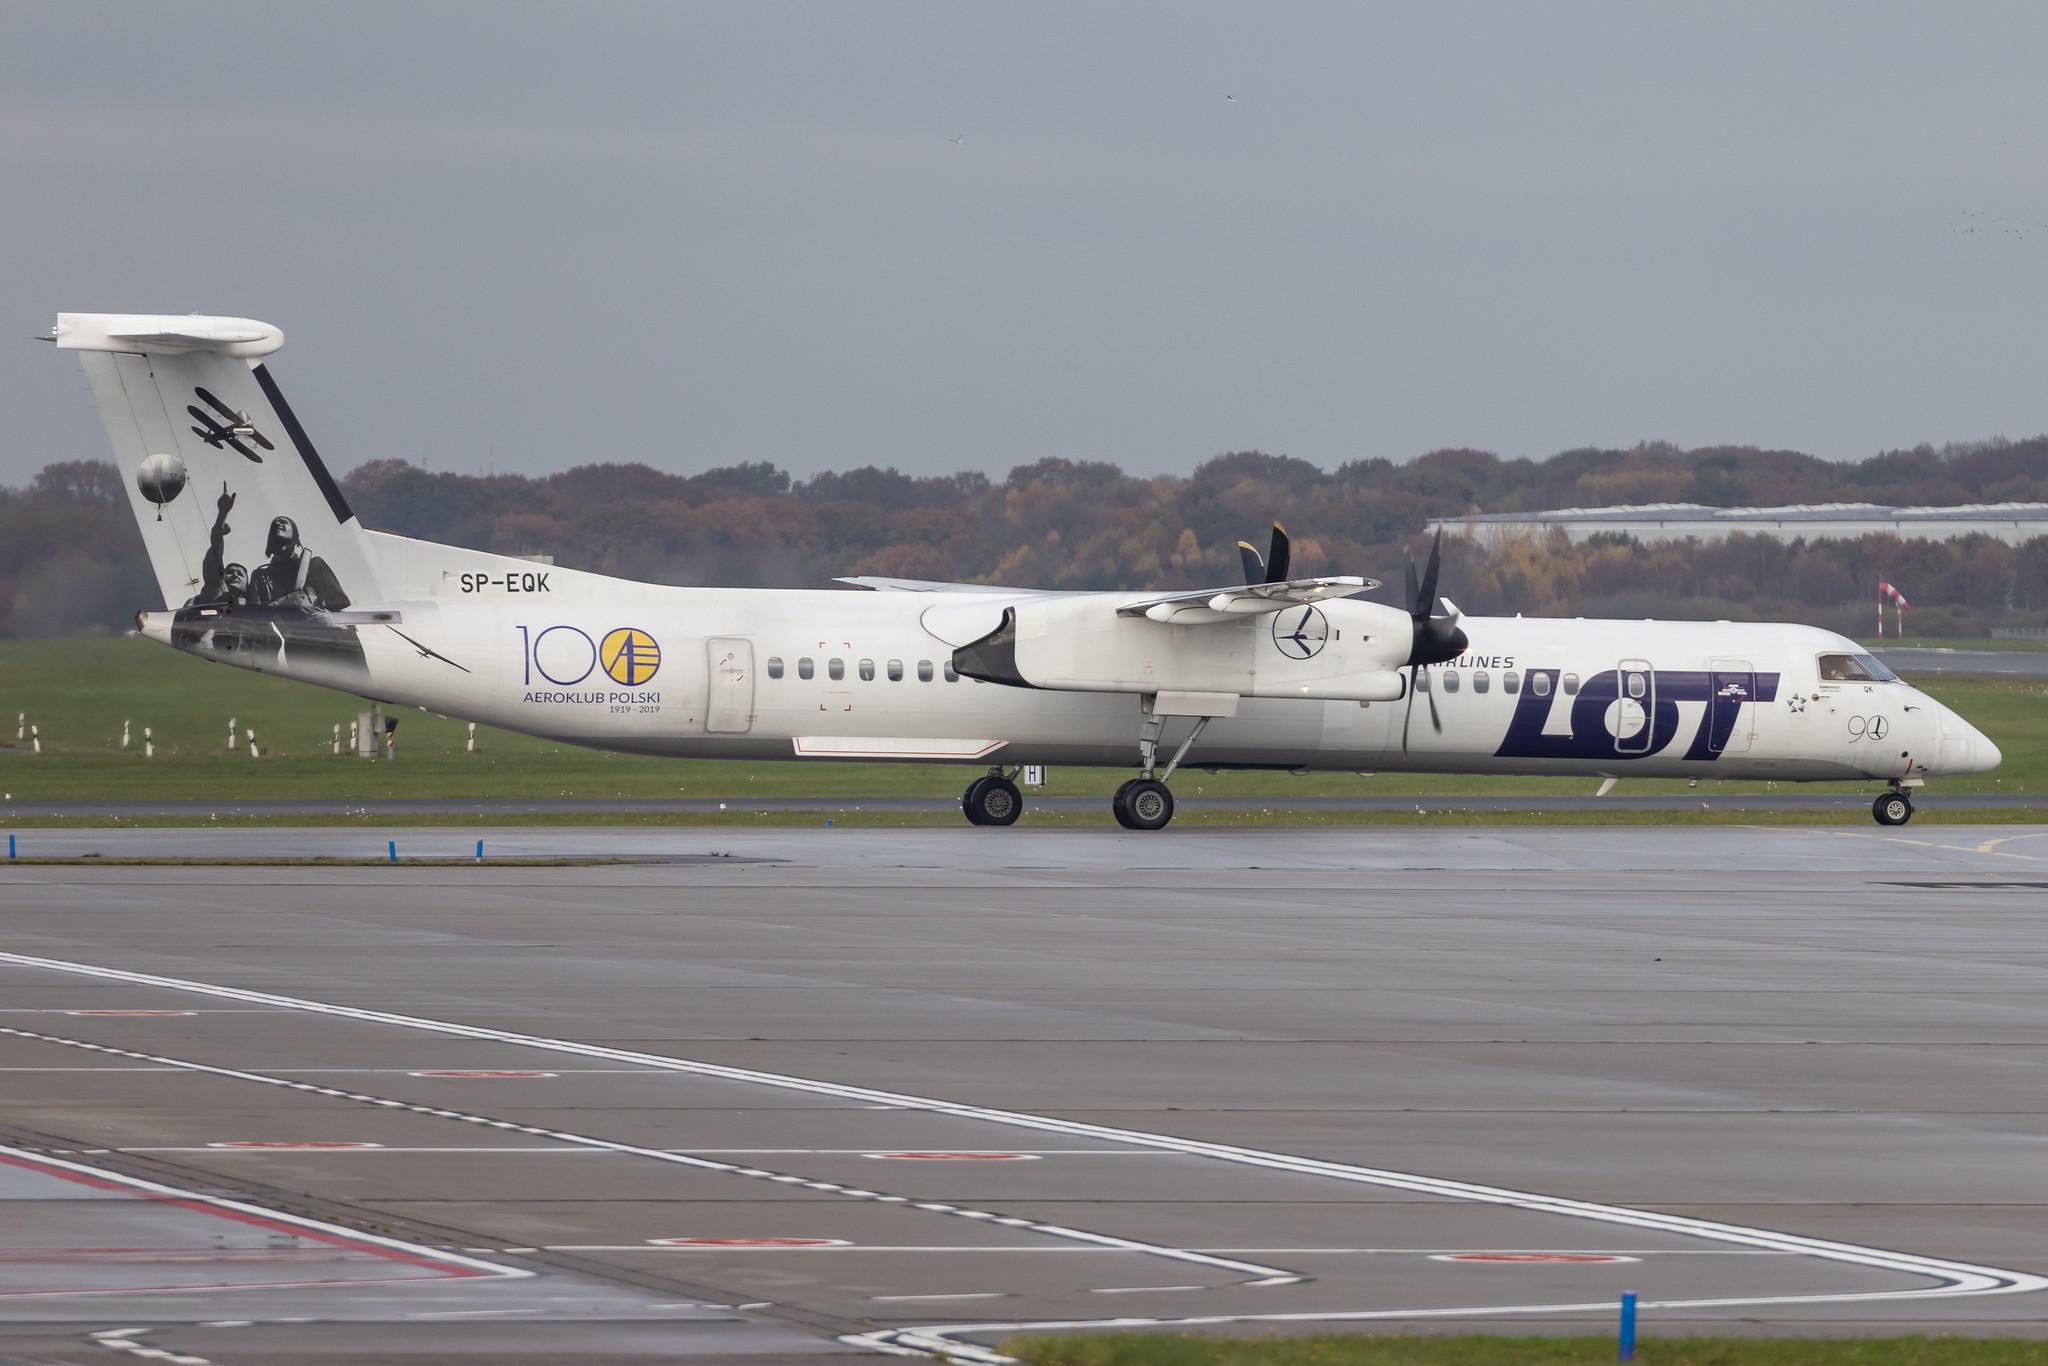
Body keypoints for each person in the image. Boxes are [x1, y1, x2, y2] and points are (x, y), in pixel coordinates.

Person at [248, 515, 351, 610]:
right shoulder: (260, 576)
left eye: (283, 522)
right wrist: (291, 601)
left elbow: (339, 601)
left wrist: (311, 599)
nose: (278, 524)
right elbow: (256, 614)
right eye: (274, 525)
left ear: (295, 535)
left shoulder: (314, 565)